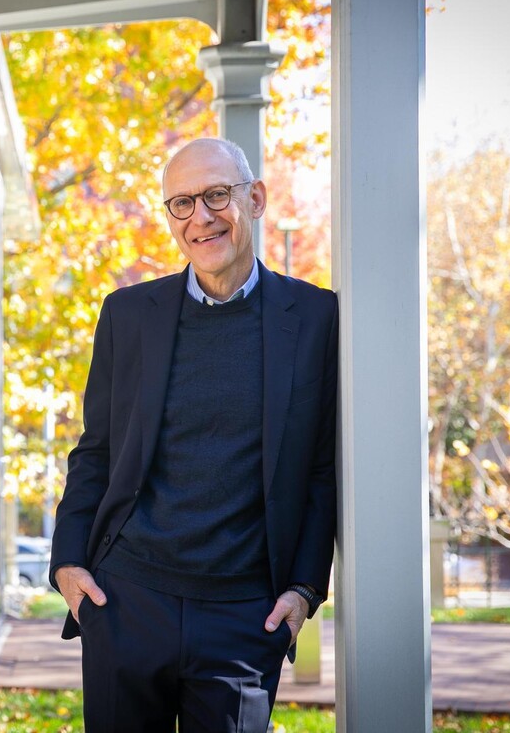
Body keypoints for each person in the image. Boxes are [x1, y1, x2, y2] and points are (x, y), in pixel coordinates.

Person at [50, 138, 339, 733]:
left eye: (216, 195)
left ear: (254, 199)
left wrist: (306, 588)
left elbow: (319, 466)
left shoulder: (315, 318)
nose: (200, 217)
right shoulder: (128, 315)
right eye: (181, 203)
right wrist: (69, 562)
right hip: (125, 600)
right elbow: (97, 448)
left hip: (245, 616)